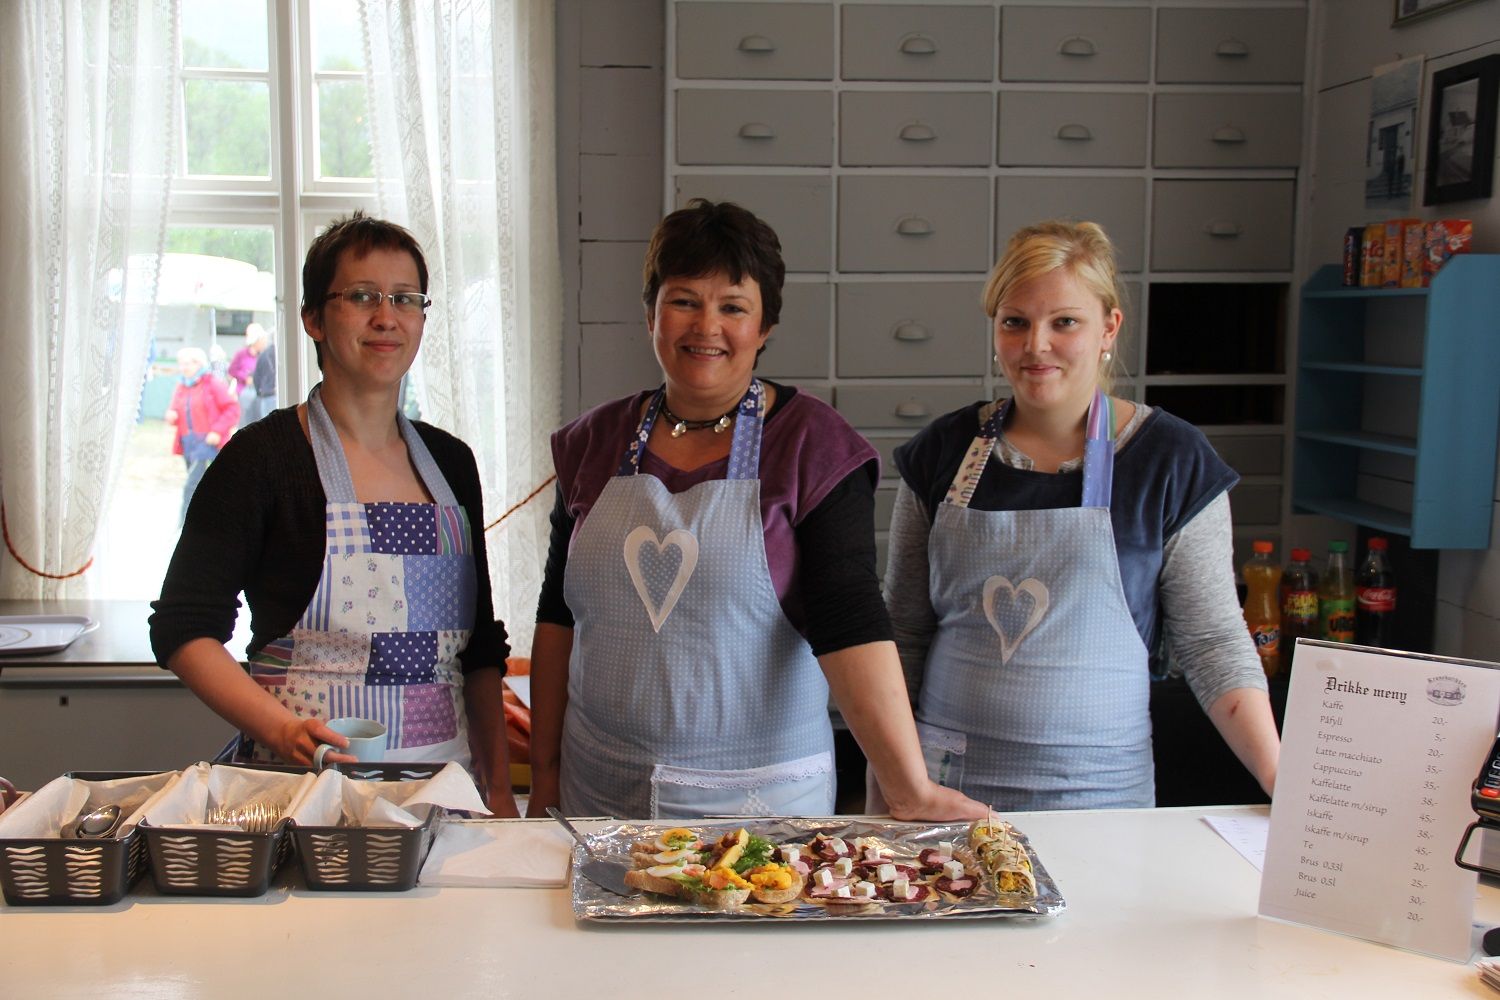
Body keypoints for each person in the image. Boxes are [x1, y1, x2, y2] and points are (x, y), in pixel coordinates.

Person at [527, 198, 985, 822]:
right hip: (602, 792)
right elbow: (558, 616)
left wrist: (909, 786)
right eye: (684, 300)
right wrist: (545, 776)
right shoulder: (592, 442)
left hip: (756, 806)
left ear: (765, 326)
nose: (705, 326)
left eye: (733, 307)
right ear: (651, 314)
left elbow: (850, 618)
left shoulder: (812, 447)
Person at [882, 220, 1279, 811]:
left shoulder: (1170, 460)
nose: (1035, 345)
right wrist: (886, 784)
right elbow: (902, 634)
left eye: (1064, 322)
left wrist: (1283, 782)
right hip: (947, 789)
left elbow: (1212, 642)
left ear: (1108, 327)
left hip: (1101, 795)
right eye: (1015, 322)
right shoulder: (943, 452)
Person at [149, 212, 517, 814]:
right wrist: (282, 729)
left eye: (405, 298)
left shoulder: (452, 462)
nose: (386, 317)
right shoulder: (262, 459)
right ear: (314, 319)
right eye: (362, 296)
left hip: (441, 796)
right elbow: (182, 628)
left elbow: (478, 651)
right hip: (301, 796)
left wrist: (498, 789)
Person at [164, 347, 239, 526]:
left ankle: (185, 525)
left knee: (192, 485)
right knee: (202, 485)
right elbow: (175, 409)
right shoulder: (182, 385)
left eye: (187, 364)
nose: (183, 368)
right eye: (181, 364)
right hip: (188, 442)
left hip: (206, 443)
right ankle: (208, 520)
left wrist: (217, 431)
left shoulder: (212, 383)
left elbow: (232, 409)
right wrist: (172, 415)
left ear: (199, 364)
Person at [229, 323, 269, 428]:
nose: (264, 342)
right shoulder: (241, 354)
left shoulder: (264, 355)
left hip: (260, 392)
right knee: (246, 421)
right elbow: (232, 370)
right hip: (245, 392)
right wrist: (245, 378)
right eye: (262, 340)